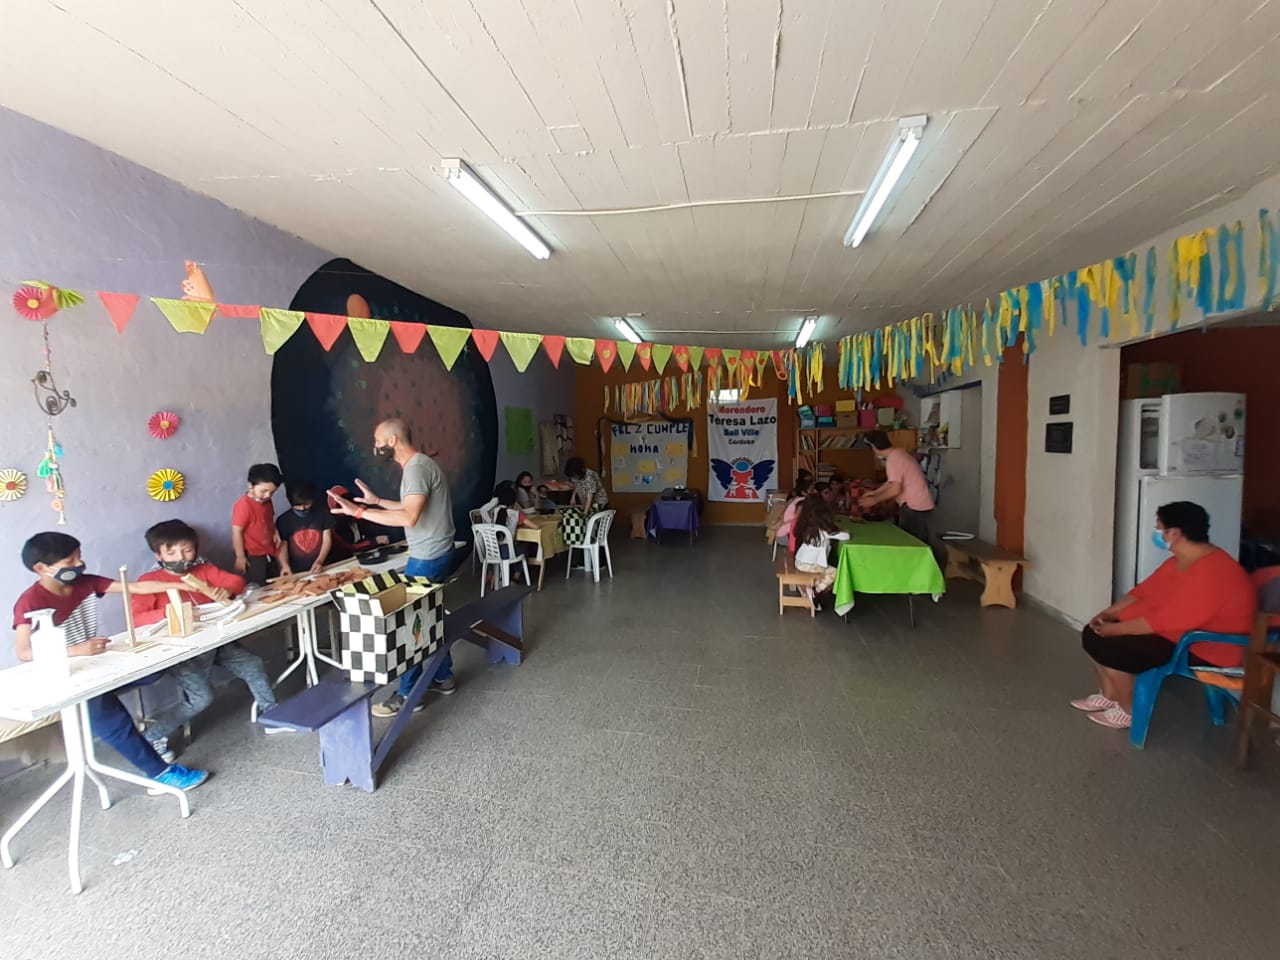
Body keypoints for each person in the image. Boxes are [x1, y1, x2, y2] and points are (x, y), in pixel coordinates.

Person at [11, 532, 208, 791]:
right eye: (70, 561)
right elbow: (23, 652)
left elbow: (134, 587)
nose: (79, 564)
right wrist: (77, 650)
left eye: (79, 557)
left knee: (154, 668)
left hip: (93, 665)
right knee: (115, 723)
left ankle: (146, 739)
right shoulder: (30, 601)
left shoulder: (84, 582)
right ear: (41, 568)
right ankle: (160, 776)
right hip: (66, 675)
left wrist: (181, 585)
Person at [1074, 501, 1257, 730]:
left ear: (1175, 533)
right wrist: (1108, 614)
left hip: (1203, 646)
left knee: (1110, 645)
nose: (1157, 533)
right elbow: (1143, 592)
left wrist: (1115, 629)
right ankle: (1110, 695)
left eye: (1159, 527)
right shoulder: (1179, 562)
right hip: (1175, 633)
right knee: (1093, 633)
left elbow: (1167, 620)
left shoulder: (1214, 572)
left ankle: (1128, 710)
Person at [329, 419, 457, 716]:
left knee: (412, 624)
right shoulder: (420, 465)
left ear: (393, 440)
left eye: (378, 441)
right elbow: (409, 507)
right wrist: (377, 502)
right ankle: (442, 676)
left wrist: (360, 512)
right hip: (436, 552)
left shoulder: (416, 469)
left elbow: (409, 517)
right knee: (430, 615)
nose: (375, 447)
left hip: (427, 556)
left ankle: (408, 694)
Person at [131, 520, 284, 761]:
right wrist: (172, 613)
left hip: (216, 643)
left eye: (187, 550)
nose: (181, 557)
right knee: (201, 698)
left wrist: (225, 590)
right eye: (171, 553)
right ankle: (152, 738)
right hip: (183, 652)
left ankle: (272, 713)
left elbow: (236, 582)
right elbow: (137, 619)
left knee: (253, 665)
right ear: (158, 555)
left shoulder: (203, 571)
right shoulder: (150, 581)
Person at [858, 431, 934, 542]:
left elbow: (895, 489)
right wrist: (875, 492)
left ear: (874, 447)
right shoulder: (898, 453)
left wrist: (874, 500)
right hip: (919, 504)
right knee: (917, 541)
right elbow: (891, 482)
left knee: (912, 543)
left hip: (914, 507)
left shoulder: (893, 459)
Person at [793, 494, 851, 604]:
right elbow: (845, 536)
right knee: (836, 572)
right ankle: (815, 591)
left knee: (826, 571)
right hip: (810, 566)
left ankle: (808, 587)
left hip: (799, 562)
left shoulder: (808, 526)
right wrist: (846, 532)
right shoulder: (824, 530)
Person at [232, 463, 284, 585]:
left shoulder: (267, 501)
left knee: (276, 584)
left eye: (272, 492)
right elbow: (236, 532)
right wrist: (240, 557)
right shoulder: (243, 506)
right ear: (250, 486)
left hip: (270, 552)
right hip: (253, 556)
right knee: (259, 587)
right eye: (264, 491)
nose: (268, 495)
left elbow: (269, 519)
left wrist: (275, 531)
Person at [276, 481, 335, 575]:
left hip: (324, 566)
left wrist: (320, 561)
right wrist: (284, 565)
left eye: (306, 504)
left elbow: (327, 538)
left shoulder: (323, 514)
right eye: (298, 505)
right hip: (297, 571)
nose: (302, 508)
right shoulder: (283, 520)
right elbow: (282, 546)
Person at [326, 485, 390, 562]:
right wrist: (375, 541)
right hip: (343, 561)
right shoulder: (335, 525)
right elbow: (349, 546)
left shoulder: (359, 517)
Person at [563, 457, 609, 547]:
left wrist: (585, 512)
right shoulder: (574, 476)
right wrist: (573, 497)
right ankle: (584, 543)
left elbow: (590, 497)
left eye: (574, 475)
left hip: (598, 501)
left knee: (593, 525)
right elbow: (577, 485)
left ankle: (594, 547)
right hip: (585, 501)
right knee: (585, 524)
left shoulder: (590, 476)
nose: (573, 477)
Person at [774, 477, 813, 553]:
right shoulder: (802, 502)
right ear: (803, 492)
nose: (814, 492)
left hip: (786, 532)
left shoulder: (798, 499)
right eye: (811, 490)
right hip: (786, 535)